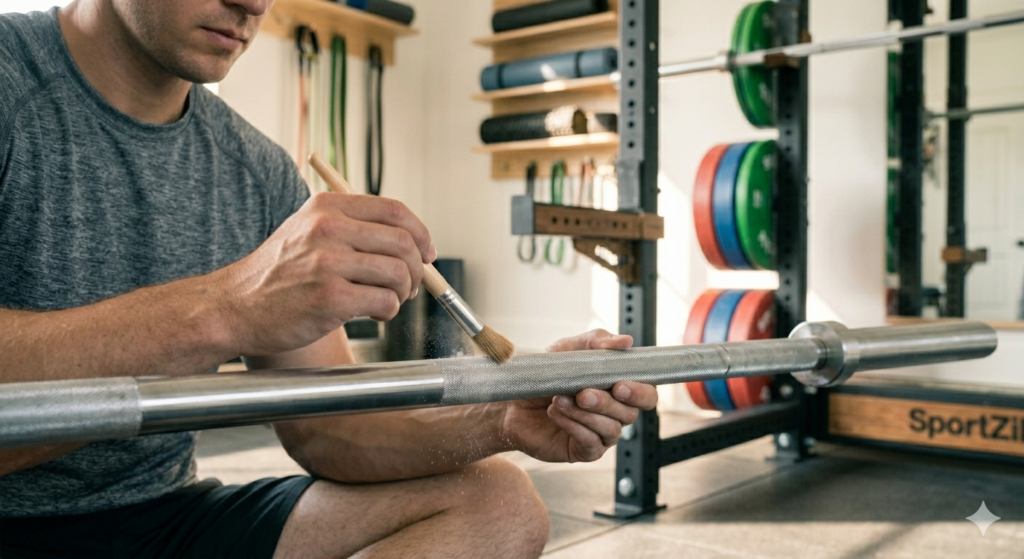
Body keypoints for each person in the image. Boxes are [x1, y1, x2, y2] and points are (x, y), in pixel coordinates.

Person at [0, 1, 659, 557]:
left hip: (166, 516)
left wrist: (501, 417)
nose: (254, 3)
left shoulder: (254, 167)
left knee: (498, 505)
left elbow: (329, 431)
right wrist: (229, 308)